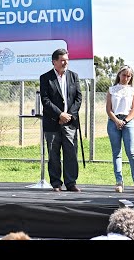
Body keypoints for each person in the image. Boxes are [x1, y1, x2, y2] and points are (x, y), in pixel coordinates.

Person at [39, 48, 82, 192]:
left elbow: (78, 98)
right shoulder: (45, 78)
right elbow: (45, 100)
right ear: (54, 62)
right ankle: (56, 183)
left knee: (71, 153)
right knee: (53, 153)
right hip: (52, 123)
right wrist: (59, 115)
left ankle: (71, 183)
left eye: (67, 60)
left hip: (70, 123)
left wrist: (68, 115)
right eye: (62, 60)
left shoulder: (74, 76)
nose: (65, 63)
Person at [105, 65, 134, 194]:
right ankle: (119, 181)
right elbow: (108, 109)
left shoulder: (133, 91)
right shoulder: (112, 90)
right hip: (114, 121)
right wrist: (116, 121)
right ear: (119, 75)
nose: (126, 78)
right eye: (124, 75)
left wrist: (125, 121)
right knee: (116, 153)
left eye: (129, 76)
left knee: (131, 152)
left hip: (129, 121)